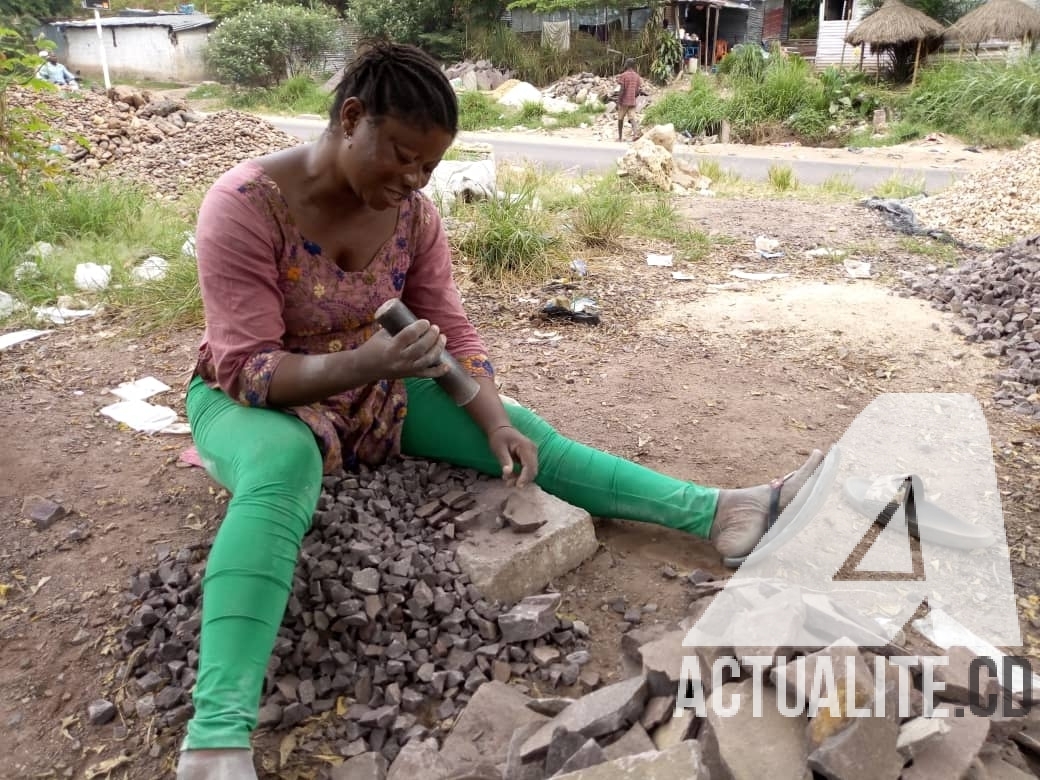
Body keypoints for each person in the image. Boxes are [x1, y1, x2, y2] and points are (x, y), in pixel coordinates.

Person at [175, 40, 825, 780]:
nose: (415, 180)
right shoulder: (247, 205)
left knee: (523, 429)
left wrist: (495, 421)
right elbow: (247, 368)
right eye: (402, 156)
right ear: (351, 119)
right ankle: (215, 739)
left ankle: (719, 510)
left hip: (374, 391)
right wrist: (368, 363)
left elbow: (451, 333)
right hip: (254, 403)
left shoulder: (414, 218)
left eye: (430, 167)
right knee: (284, 467)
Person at [615, 59, 642, 142]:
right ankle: (635, 134)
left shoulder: (623, 75)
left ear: (627, 65)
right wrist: (634, 96)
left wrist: (618, 101)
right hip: (632, 101)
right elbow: (637, 91)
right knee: (632, 118)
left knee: (620, 119)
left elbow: (622, 89)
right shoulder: (637, 76)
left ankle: (620, 137)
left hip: (624, 101)